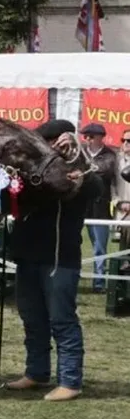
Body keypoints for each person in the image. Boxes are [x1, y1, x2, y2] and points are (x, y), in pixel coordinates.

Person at [7, 119, 101, 402]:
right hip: (28, 254)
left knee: (62, 320)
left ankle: (71, 381)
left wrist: (75, 156)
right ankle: (36, 372)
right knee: (32, 318)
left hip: (60, 258)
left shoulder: (76, 168)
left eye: (48, 142)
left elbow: (95, 186)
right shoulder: (30, 171)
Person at [80, 123, 117, 293]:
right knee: (74, 241)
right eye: (85, 136)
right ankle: (74, 276)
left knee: (99, 245)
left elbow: (105, 170)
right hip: (81, 204)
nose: (87, 139)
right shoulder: (80, 152)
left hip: (101, 205)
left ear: (100, 137)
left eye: (90, 136)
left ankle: (99, 281)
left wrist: (85, 169)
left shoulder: (110, 155)